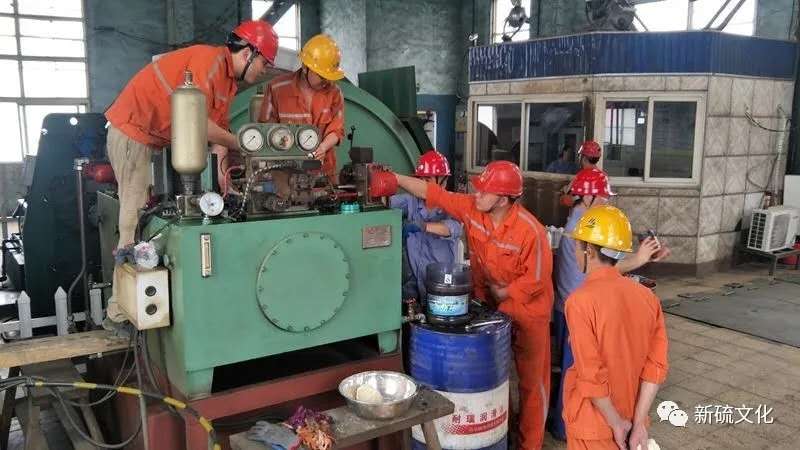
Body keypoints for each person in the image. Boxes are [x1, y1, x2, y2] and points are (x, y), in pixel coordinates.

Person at [104, 20, 278, 323]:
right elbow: (200, 124)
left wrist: (227, 184)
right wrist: (244, 143)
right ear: (247, 52)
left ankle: (151, 300)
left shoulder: (228, 83)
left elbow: (218, 137)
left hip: (153, 140)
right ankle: (119, 312)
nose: (265, 70)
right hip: (133, 132)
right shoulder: (208, 61)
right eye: (265, 62)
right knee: (133, 218)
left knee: (153, 215)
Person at [380, 160, 553, 450]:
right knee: (495, 376)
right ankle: (503, 430)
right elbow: (431, 192)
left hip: (528, 311)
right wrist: (394, 177)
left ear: (503, 199)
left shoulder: (530, 231)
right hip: (490, 305)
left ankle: (529, 445)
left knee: (532, 383)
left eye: (484, 191)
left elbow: (536, 279)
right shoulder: (472, 209)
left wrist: (504, 292)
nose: (477, 194)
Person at [549, 168, 670, 441]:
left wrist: (616, 423)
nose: (606, 200)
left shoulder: (580, 302)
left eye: (578, 247)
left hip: (594, 425)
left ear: (588, 250)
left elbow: (590, 374)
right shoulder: (648, 298)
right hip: (632, 420)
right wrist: (638, 424)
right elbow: (656, 366)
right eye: (603, 196)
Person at [258, 34, 345, 182]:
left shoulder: (334, 93)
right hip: (286, 173)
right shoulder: (277, 88)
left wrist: (323, 147)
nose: (326, 81)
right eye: (322, 76)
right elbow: (265, 129)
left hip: (324, 173)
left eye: (329, 76)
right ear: (305, 67)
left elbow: (337, 130)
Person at [390, 150, 462, 301]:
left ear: (443, 181)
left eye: (427, 180)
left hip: (440, 280)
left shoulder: (453, 204)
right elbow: (385, 203)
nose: (422, 185)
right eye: (420, 180)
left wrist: (422, 226)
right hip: (413, 279)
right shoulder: (411, 200)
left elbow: (452, 229)